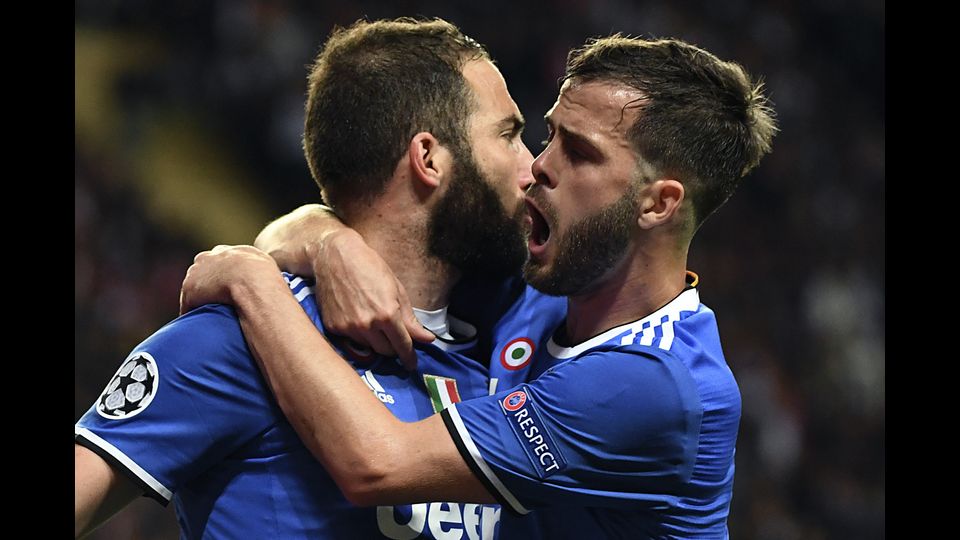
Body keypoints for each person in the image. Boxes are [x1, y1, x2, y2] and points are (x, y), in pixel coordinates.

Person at [180, 34, 778, 539]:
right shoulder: (540, 287)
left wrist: (250, 280)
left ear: (658, 203)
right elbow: (379, 225)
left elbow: (376, 466)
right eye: (549, 136)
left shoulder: (654, 384)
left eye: (579, 152)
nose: (540, 164)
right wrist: (326, 242)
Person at [75, 17, 566, 539]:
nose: (530, 166)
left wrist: (318, 236)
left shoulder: (523, 334)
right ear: (428, 158)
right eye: (509, 135)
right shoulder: (241, 339)